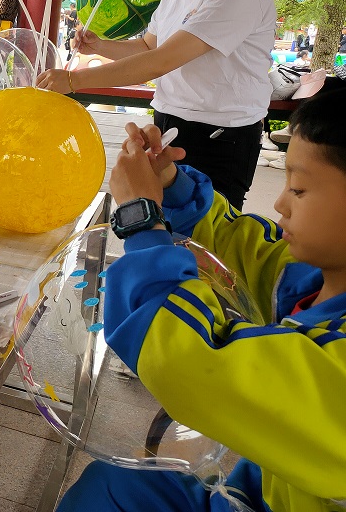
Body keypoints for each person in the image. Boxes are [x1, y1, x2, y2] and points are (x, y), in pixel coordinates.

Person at [58, 88, 346, 512]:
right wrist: (172, 188)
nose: (281, 203)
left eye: (299, 189)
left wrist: (141, 219)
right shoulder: (319, 281)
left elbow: (194, 359)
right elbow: (253, 249)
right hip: (267, 487)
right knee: (110, 487)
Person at [37, 0, 276, 210]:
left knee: (207, 237)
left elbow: (163, 59)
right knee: (164, 222)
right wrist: (100, 46)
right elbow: (150, 46)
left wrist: (75, 81)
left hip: (221, 135)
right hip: (169, 121)